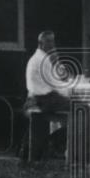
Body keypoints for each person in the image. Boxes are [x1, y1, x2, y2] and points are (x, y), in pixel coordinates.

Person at [23, 30, 70, 159]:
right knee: (82, 109)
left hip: (40, 98)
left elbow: (61, 77)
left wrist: (56, 63)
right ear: (40, 43)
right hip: (40, 100)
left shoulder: (43, 58)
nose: (52, 44)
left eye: (53, 41)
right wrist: (69, 92)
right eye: (48, 41)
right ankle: (56, 144)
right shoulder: (41, 60)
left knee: (75, 107)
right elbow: (56, 85)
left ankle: (55, 145)